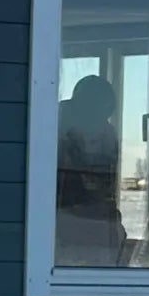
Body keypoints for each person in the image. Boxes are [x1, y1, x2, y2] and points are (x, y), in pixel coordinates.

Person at [56, 73, 125, 265]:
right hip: (63, 226)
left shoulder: (107, 133)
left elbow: (102, 183)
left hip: (94, 224)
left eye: (106, 115)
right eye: (98, 115)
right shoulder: (53, 128)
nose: (102, 122)